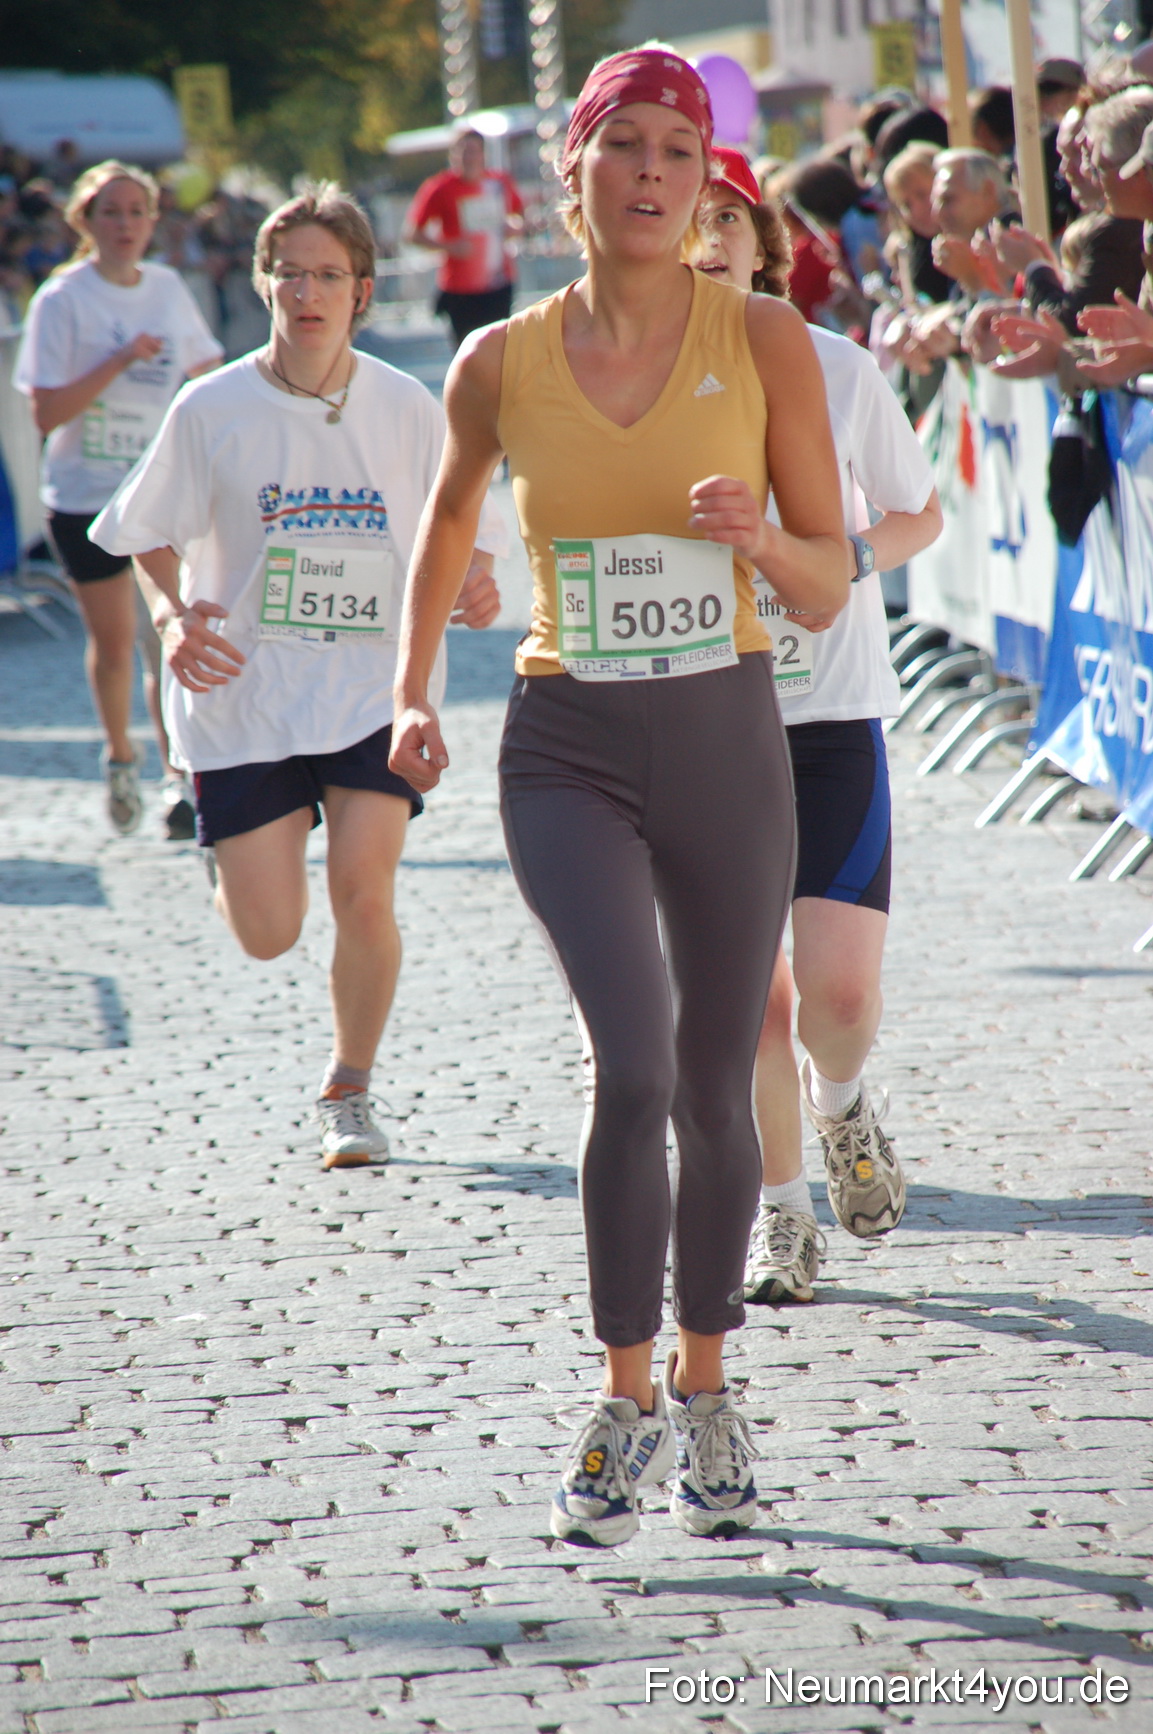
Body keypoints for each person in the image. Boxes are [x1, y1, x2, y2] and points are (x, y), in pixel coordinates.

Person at [389, 48, 848, 1545]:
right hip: (566, 742)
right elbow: (446, 524)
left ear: (707, 178)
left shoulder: (764, 336)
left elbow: (833, 578)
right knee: (632, 1066)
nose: (652, 173)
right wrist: (413, 686)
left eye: (678, 149)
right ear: (568, 176)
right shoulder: (495, 360)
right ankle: (626, 1393)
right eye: (624, 147)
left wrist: (763, 543)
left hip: (725, 733)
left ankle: (711, 1381)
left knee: (720, 1082)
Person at [89, 184, 505, 1168]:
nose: (307, 294)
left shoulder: (408, 406)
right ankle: (223, 843)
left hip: (372, 690)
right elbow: (141, 533)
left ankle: (347, 1090)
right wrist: (170, 612)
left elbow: (466, 536)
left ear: (362, 291)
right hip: (244, 697)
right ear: (263, 282)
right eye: (290, 274)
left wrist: (478, 581)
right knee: (269, 932)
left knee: (365, 890)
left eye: (328, 276)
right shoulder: (213, 406)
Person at [694, 149, 942, 1305]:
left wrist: (832, 561)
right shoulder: (624, 379)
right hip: (698, 716)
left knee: (835, 1002)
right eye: (682, 221)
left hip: (829, 712)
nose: (702, 239)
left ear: (764, 236)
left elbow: (918, 514)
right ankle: (779, 1218)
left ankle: (841, 1107)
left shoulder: (837, 371)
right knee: (750, 996)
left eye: (725, 219)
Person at [13, 160, 223, 838]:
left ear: (154, 221)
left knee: (169, 636)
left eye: (138, 211)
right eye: (111, 212)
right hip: (86, 497)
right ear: (85, 221)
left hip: (158, 494)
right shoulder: (62, 298)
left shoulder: (166, 288)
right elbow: (46, 413)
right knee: (116, 641)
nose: (126, 224)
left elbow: (206, 375)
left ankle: (177, 779)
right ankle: (120, 755)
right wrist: (121, 361)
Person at [404, 128, 525, 350]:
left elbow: (519, 217)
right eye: (463, 152)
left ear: (483, 155)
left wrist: (514, 228)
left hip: (498, 283)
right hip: (460, 289)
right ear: (453, 155)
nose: (469, 158)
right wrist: (448, 246)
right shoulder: (439, 188)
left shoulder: (499, 183)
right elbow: (411, 235)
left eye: (473, 151)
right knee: (468, 354)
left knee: (500, 353)